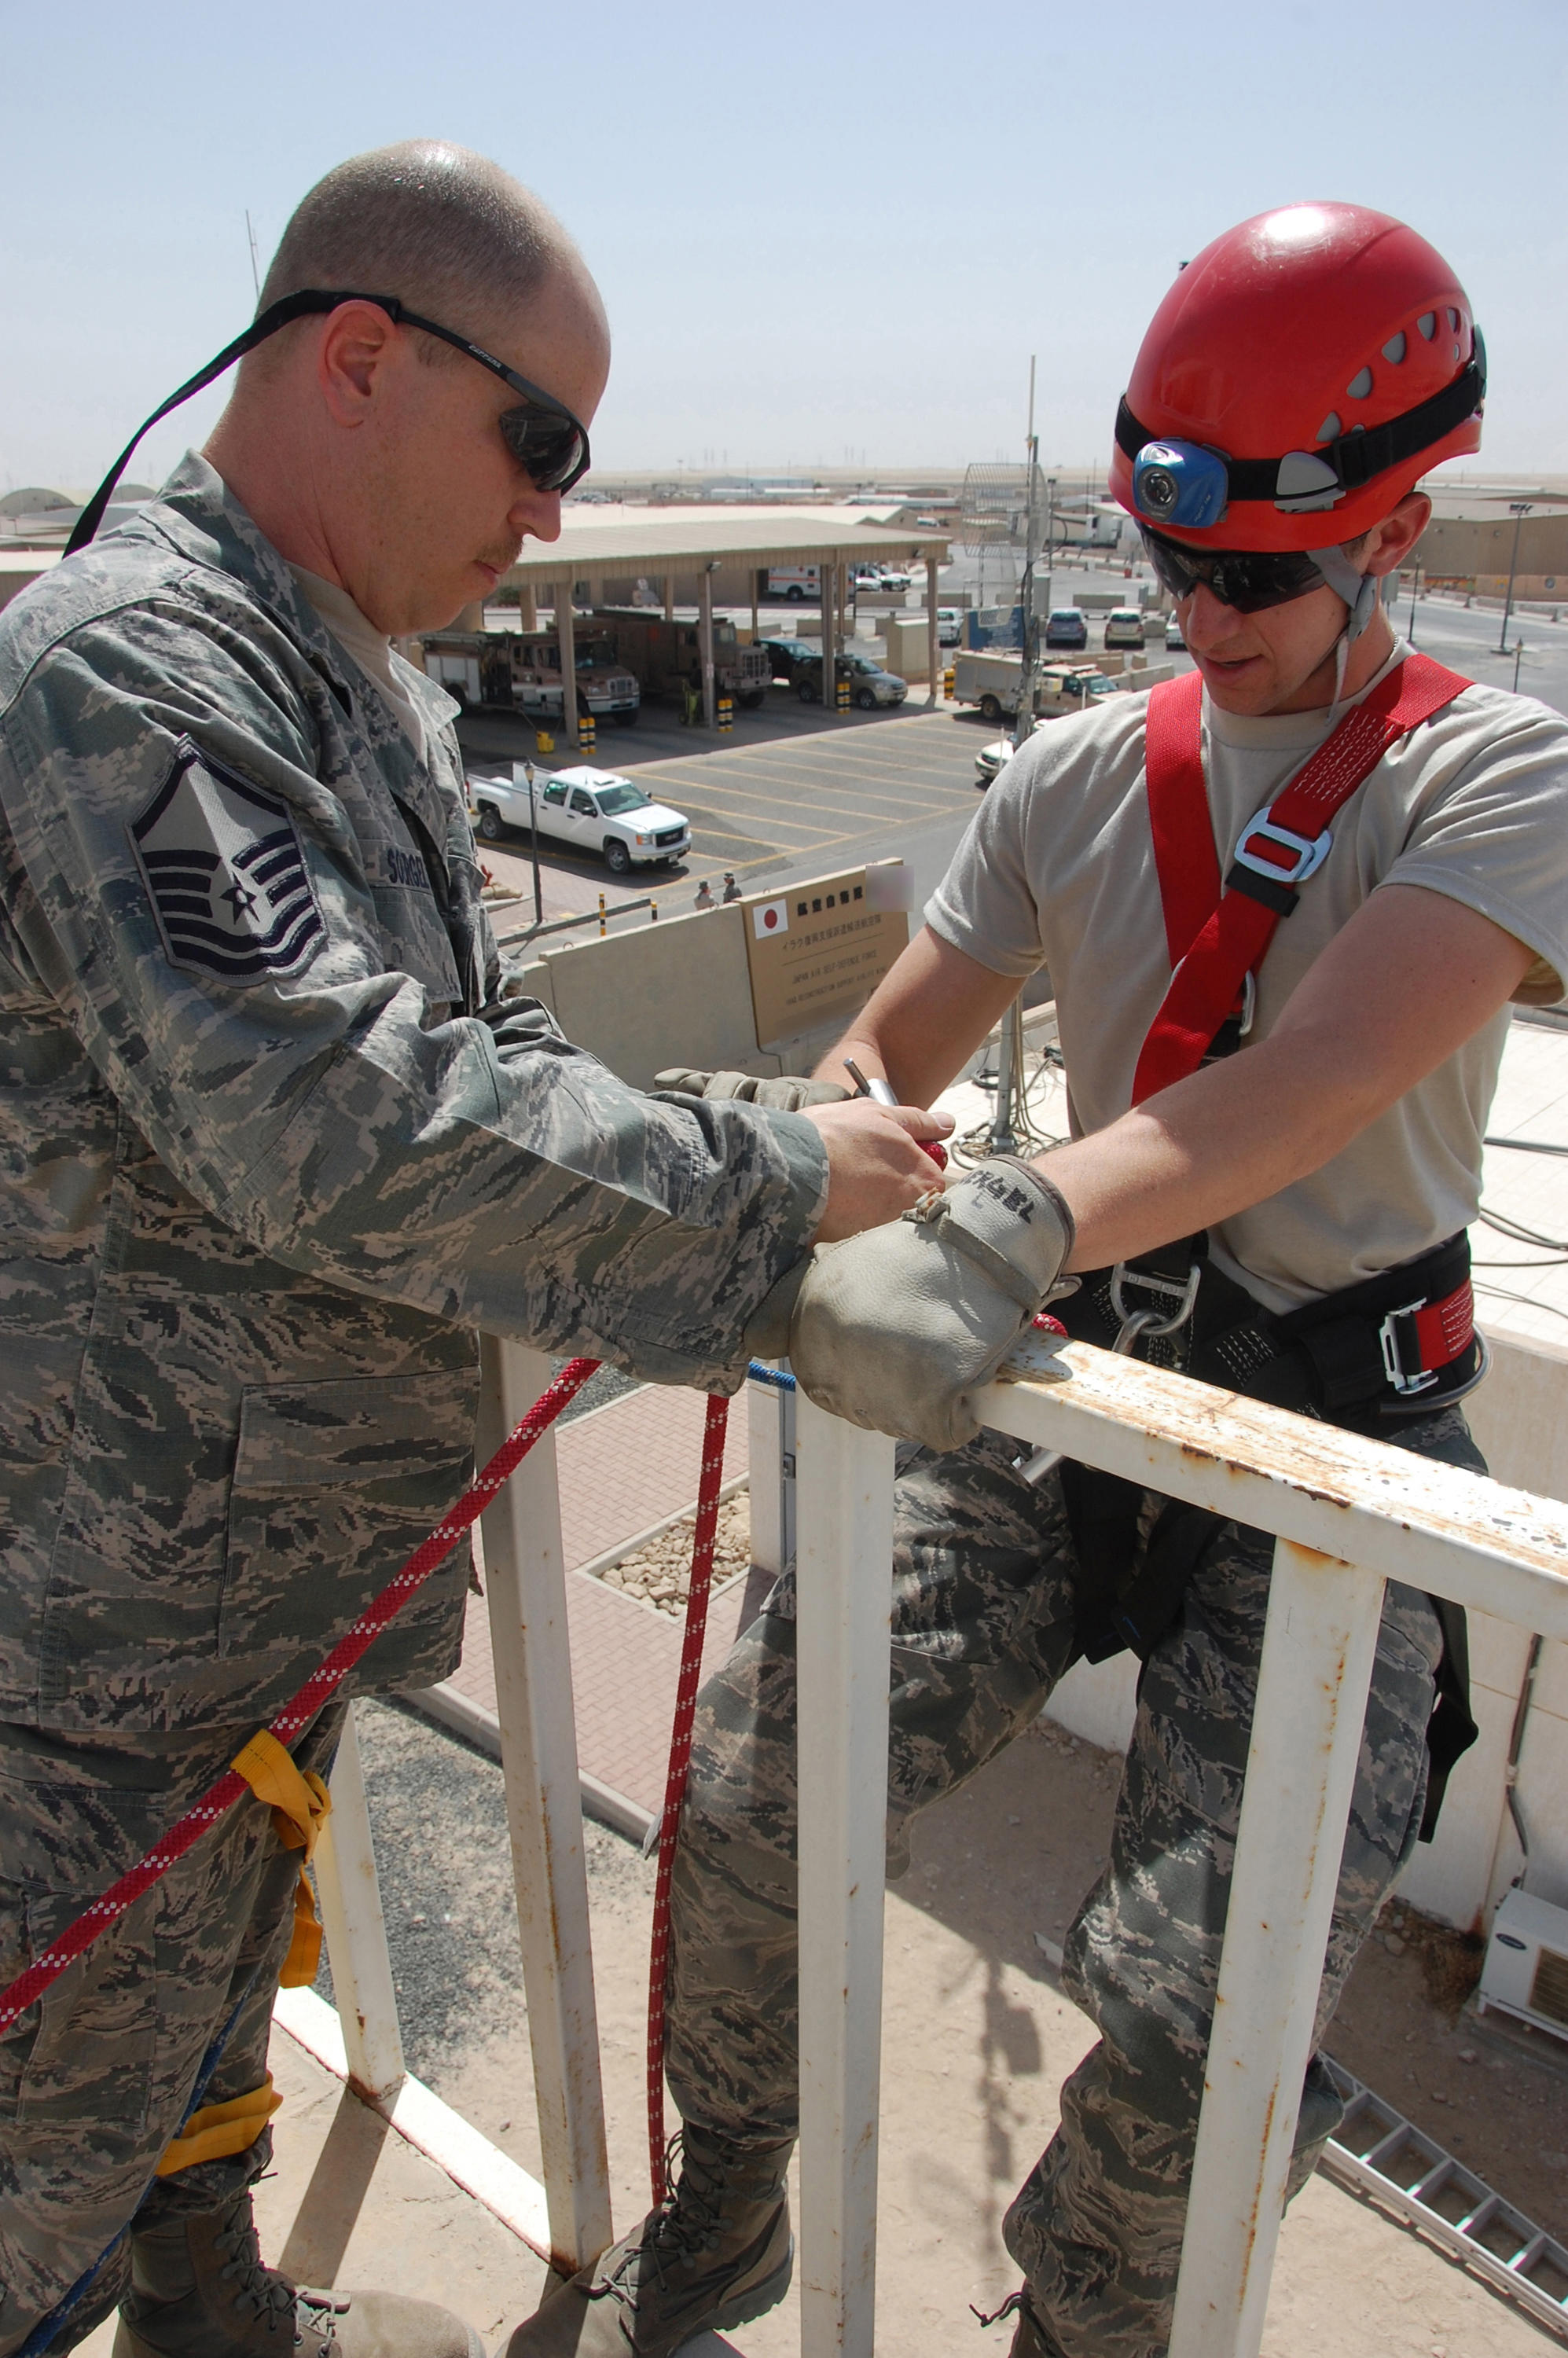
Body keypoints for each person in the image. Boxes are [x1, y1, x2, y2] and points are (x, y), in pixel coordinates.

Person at [512, 204, 1568, 2358]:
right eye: (1168, 559)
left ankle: (1084, 2323)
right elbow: (881, 1040)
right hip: (1071, 1382)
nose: (1197, 608)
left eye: (1252, 571)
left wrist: (1003, 1222)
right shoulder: (1086, 769)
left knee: (1205, 2002)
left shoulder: (1495, 775)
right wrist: (848, 1148)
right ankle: (729, 2212)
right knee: (747, 1800)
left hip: (1335, 1439)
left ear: (1395, 532)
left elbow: (1319, 1076)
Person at [0, 141, 948, 2358]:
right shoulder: (129, 670)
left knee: (210, 2021)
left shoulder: (350, 681)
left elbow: (490, 1044)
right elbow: (332, 1119)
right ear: (359, 357)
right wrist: (780, 1200)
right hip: (104, 1642)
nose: (551, 515)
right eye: (543, 445)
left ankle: (211, 2308)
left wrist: (750, 1147)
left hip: (255, 1610)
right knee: (34, 2148)